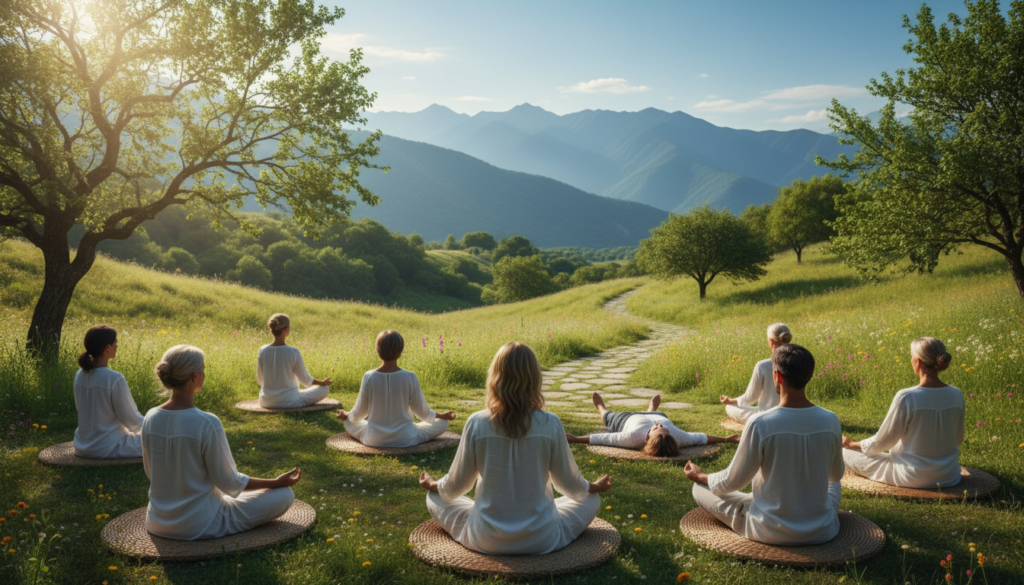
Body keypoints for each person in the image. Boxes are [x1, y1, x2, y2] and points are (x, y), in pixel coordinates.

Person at [418, 342, 612, 555]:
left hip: (485, 538)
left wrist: (434, 484)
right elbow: (570, 486)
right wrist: (592, 487)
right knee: (591, 499)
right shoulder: (550, 423)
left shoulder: (476, 422)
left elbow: (456, 485)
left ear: (495, 377)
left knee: (434, 497)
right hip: (541, 538)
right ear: (534, 379)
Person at [684, 344, 844, 546]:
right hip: (822, 528)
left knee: (699, 489)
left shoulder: (760, 423)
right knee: (832, 484)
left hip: (769, 529)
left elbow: (733, 481)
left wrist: (698, 476)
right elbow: (835, 475)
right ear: (809, 376)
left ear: (776, 376)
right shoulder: (831, 420)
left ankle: (772, 504)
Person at [143, 345, 301, 540]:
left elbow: (151, 473)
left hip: (157, 522)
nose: (204, 374)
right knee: (285, 495)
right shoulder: (206, 422)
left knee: (230, 496)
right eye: (203, 370)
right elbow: (229, 482)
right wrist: (275, 482)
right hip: (200, 523)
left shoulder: (150, 417)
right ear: (195, 376)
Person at [842, 337, 964, 488]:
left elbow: (883, 442)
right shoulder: (956, 394)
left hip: (911, 476)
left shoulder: (907, 397)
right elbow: (957, 439)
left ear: (917, 362)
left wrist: (851, 443)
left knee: (845, 453)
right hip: (949, 475)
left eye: (911, 357)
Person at [336, 330, 456, 447]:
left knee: (349, 422)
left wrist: (346, 416)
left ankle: (353, 424)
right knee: (442, 423)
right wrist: (441, 416)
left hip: (374, 439)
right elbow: (423, 414)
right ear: (400, 352)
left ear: (378, 351)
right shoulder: (410, 377)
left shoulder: (369, 377)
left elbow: (358, 415)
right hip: (406, 438)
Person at [565, 392, 739, 456]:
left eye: (658, 430)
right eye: (665, 430)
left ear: (648, 440)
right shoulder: (679, 437)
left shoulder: (631, 438)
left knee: (608, 418)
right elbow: (701, 438)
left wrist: (576, 439)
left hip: (627, 419)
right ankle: (651, 409)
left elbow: (603, 438)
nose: (659, 426)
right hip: (657, 414)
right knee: (656, 415)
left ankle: (601, 408)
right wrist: (726, 439)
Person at [73, 325, 145, 458]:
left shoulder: (79, 375)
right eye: (115, 343)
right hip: (109, 447)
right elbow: (131, 419)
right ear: (107, 347)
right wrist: (154, 429)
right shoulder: (114, 378)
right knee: (159, 441)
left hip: (82, 446)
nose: (117, 346)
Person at [718, 323, 792, 423]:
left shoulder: (763, 366)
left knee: (730, 407)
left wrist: (731, 401)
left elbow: (750, 398)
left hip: (766, 416)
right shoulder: (797, 362)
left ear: (770, 341)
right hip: (791, 413)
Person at [257, 313, 332, 409]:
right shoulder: (293, 352)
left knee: (297, 391)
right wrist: (323, 383)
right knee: (324, 389)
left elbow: (260, 380)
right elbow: (305, 380)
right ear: (286, 330)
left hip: (266, 401)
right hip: (290, 401)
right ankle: (293, 394)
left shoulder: (262, 350)